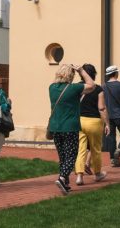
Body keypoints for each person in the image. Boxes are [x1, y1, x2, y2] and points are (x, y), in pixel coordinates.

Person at [48, 63, 95, 194]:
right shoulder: (73, 88)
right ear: (71, 75)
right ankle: (62, 178)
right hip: (70, 127)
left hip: (56, 128)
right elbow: (92, 85)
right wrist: (81, 71)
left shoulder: (51, 87)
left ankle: (65, 183)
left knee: (63, 156)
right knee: (72, 156)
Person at [74, 64, 109, 185]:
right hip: (94, 122)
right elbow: (101, 108)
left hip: (79, 121)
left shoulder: (77, 87)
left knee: (80, 149)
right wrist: (107, 124)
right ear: (93, 74)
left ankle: (79, 176)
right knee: (96, 149)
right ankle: (98, 174)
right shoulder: (98, 89)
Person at [104, 64, 120, 167]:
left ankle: (114, 161)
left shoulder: (104, 86)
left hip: (108, 116)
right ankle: (119, 150)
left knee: (111, 138)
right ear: (116, 73)